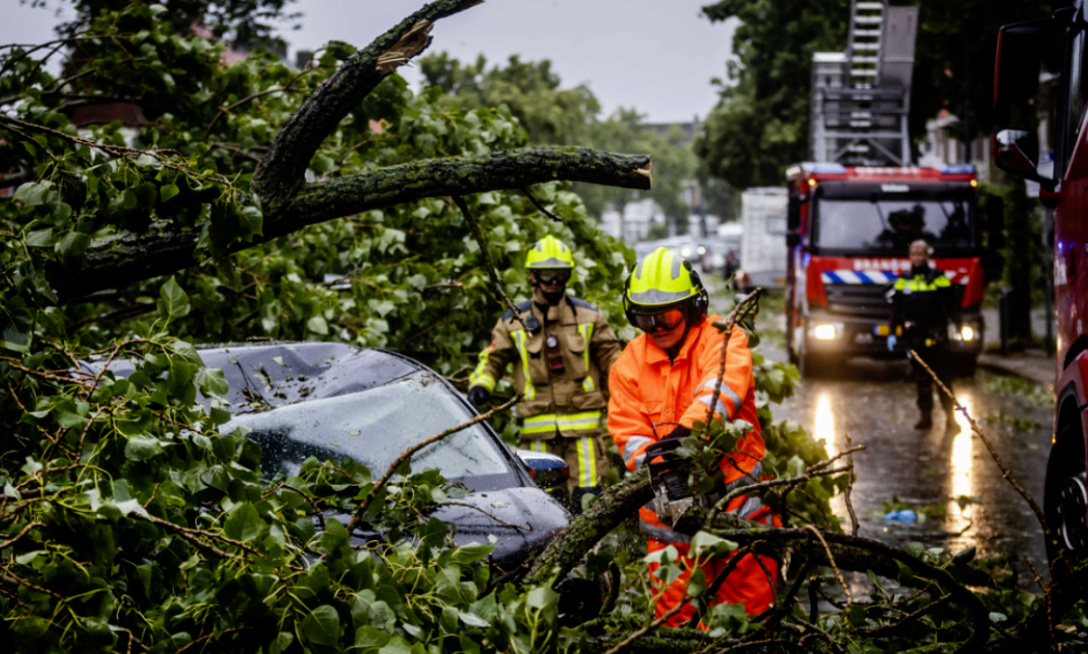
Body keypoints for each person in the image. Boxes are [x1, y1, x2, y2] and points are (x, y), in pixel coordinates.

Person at [607, 247, 777, 626]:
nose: (656, 327)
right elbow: (628, 433)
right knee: (676, 623)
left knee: (747, 620)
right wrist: (661, 468)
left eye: (665, 315)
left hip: (737, 505)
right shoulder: (627, 365)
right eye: (643, 318)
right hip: (669, 519)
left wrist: (687, 436)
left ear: (692, 308)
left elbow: (721, 390)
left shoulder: (723, 339)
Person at [468, 236, 622, 512]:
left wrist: (630, 392)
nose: (554, 282)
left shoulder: (589, 317)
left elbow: (615, 360)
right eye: (548, 275)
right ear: (533, 277)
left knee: (587, 501)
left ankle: (590, 555)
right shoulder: (512, 321)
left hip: (584, 434)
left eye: (561, 275)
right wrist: (480, 386)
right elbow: (491, 360)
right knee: (545, 506)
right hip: (537, 437)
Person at [887, 239, 960, 431]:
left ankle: (950, 418)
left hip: (937, 335)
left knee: (943, 378)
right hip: (915, 337)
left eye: (921, 254)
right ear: (910, 257)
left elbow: (951, 303)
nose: (917, 258)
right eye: (914, 254)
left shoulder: (938, 277)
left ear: (927, 256)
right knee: (921, 378)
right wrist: (892, 331)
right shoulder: (905, 279)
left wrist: (958, 324)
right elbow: (897, 308)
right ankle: (925, 417)